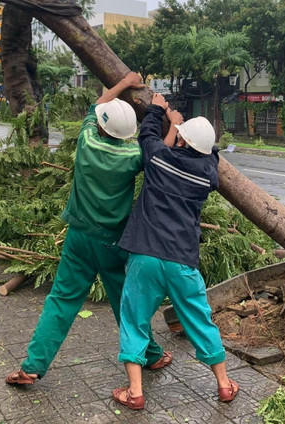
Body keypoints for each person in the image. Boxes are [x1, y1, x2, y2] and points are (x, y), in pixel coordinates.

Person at [6, 72, 171, 386]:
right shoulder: (133, 155)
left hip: (79, 238)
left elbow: (98, 105)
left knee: (62, 300)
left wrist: (123, 84)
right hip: (114, 244)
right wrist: (163, 115)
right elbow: (159, 154)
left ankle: (32, 366)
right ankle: (150, 355)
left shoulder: (87, 140)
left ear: (100, 126)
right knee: (127, 304)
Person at [111, 93, 239, 410]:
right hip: (181, 262)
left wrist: (158, 109)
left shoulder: (157, 160)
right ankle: (224, 385)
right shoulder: (207, 175)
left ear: (180, 142)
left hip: (145, 256)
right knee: (200, 321)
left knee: (134, 319)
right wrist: (185, 131)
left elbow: (147, 135)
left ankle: (135, 392)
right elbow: (211, 155)